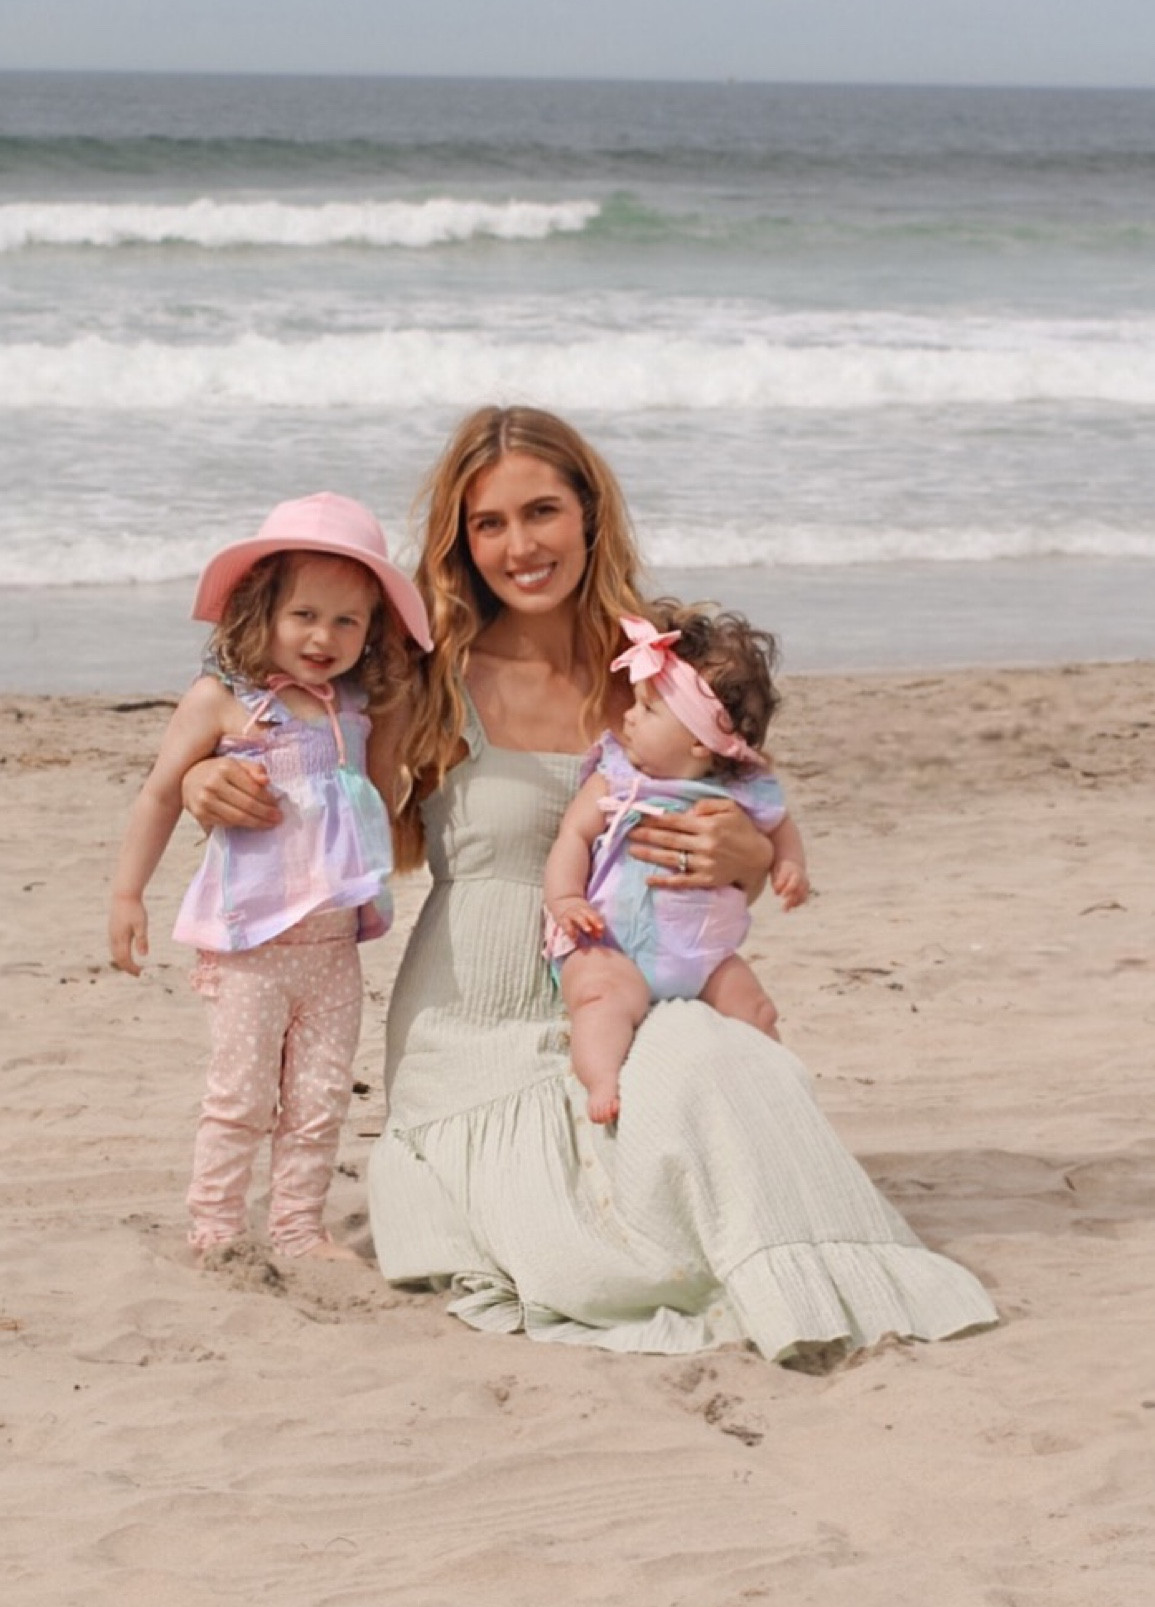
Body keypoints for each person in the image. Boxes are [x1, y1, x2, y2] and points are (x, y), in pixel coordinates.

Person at [185, 408, 997, 1364]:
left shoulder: (668, 670)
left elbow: (750, 816)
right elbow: (295, 733)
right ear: (461, 540)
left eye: (542, 512)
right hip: (472, 1017)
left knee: (719, 1063)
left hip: (628, 994)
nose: (520, 546)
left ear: (589, 513)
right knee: (584, 1254)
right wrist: (203, 779)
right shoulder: (422, 669)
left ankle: (810, 1272)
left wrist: (737, 851)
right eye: (489, 523)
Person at [109, 492, 432, 1260]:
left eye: (347, 621)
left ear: (372, 629)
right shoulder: (225, 702)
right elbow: (160, 791)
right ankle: (216, 1227)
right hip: (250, 941)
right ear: (263, 611)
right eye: (304, 615)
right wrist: (127, 894)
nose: (324, 637)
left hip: (333, 949)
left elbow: (385, 800)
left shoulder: (360, 707)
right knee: (240, 1097)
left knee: (319, 1099)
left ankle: (294, 1227)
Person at [544, 603, 809, 1122]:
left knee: (754, 1008)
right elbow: (572, 836)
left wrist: (789, 865)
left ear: (697, 739)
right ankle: (603, 1083)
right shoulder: (616, 776)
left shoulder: (742, 788)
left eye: (647, 709)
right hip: (611, 943)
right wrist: (566, 899)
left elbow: (781, 826)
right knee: (599, 1001)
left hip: (703, 956)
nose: (628, 715)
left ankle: (780, 1093)